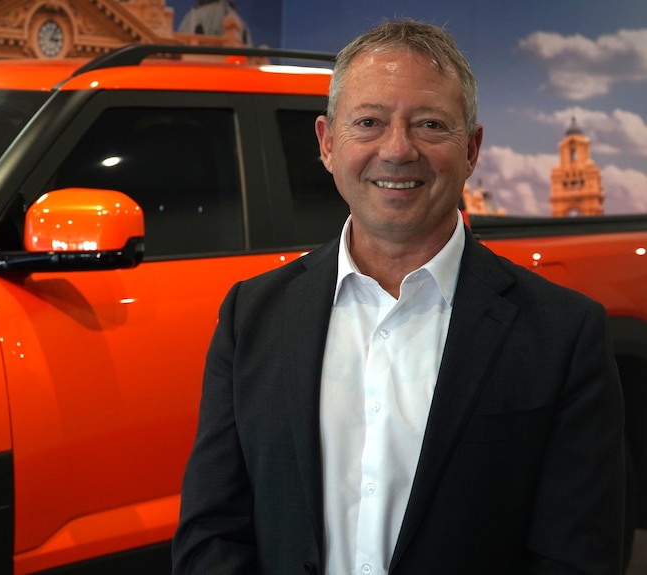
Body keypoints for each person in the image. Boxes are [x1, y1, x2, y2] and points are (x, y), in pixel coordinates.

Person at [172, 18, 625, 575]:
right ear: (328, 144)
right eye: (369, 122)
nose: (398, 149)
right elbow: (211, 533)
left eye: (431, 124)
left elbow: (577, 558)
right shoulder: (251, 317)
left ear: (472, 150)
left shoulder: (564, 335)